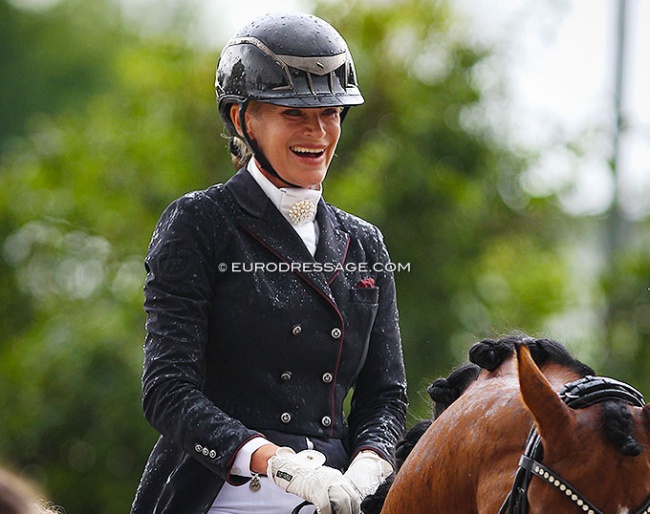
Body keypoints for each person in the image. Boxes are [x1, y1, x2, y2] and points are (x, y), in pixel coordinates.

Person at [130, 12, 408, 514]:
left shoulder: (365, 242)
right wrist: (273, 461)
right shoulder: (199, 223)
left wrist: (370, 462)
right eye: (294, 114)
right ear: (242, 119)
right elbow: (166, 389)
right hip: (223, 490)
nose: (318, 132)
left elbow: (384, 395)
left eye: (330, 113)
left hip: (336, 494)